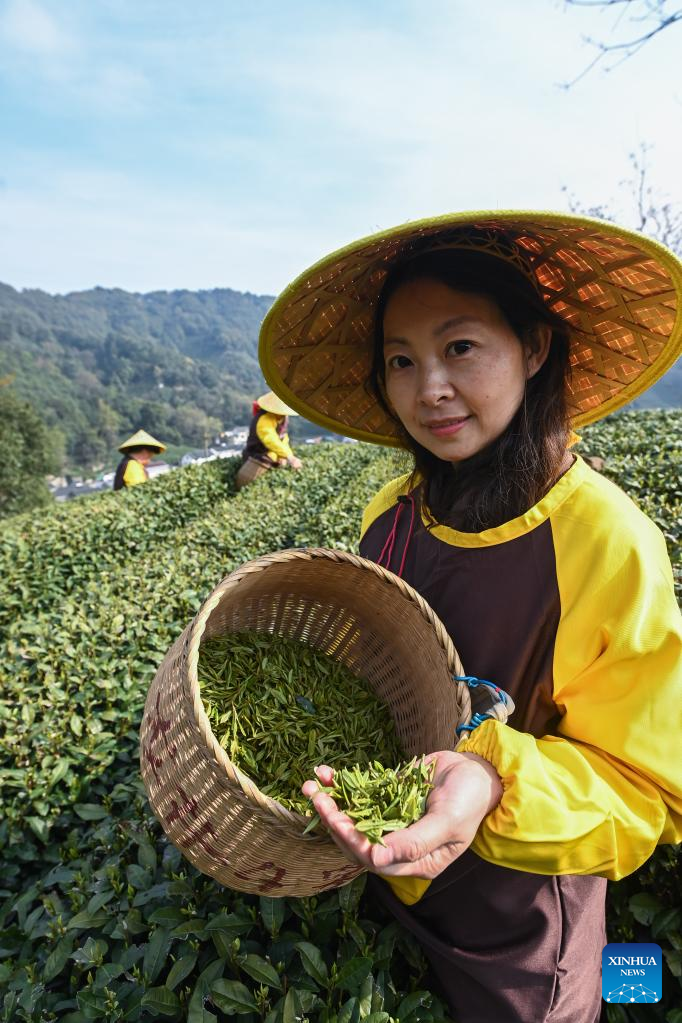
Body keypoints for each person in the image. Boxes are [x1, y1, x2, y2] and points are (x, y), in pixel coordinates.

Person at [258, 211, 682, 1022]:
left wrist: (490, 778)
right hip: (393, 876)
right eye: (401, 361)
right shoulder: (391, 517)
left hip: (521, 932)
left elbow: (646, 788)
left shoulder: (604, 539)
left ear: (533, 346)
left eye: (460, 348)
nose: (430, 389)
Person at [235, 390, 302, 491]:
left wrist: (288, 456)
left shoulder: (282, 419)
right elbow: (270, 439)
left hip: (271, 456)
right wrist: (288, 457)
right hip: (257, 457)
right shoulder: (265, 419)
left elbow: (283, 439)